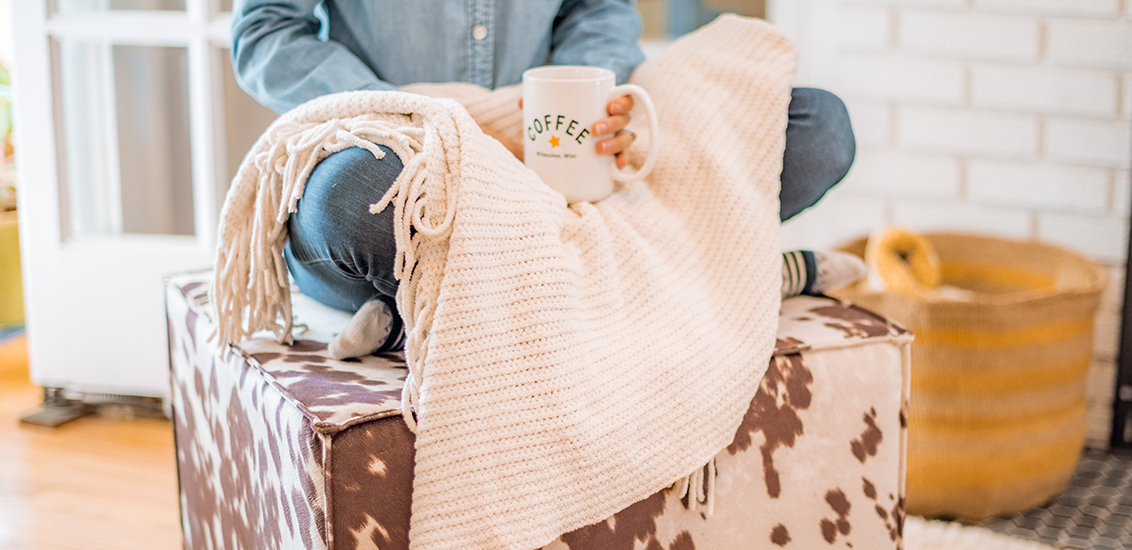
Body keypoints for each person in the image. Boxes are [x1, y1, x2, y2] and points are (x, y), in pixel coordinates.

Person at [232, 0, 862, 358]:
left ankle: (421, 313)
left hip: (546, 173)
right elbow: (265, 33)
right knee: (347, 203)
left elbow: (600, 11)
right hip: (397, 152)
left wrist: (582, 104)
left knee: (817, 127)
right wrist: (405, 109)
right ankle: (725, 275)